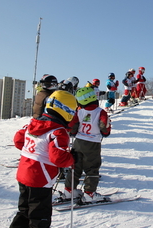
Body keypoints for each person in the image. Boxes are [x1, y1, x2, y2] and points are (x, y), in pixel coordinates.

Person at [9, 90, 77, 228]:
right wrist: (72, 158)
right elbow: (58, 158)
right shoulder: (58, 131)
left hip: (23, 174)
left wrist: (32, 150)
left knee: (24, 210)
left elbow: (18, 140)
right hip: (40, 179)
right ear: (67, 111)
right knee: (39, 216)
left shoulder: (32, 123)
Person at [62, 87, 111, 203]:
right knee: (92, 168)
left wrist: (73, 133)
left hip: (78, 141)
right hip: (92, 143)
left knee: (75, 166)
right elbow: (105, 127)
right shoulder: (100, 112)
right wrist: (105, 132)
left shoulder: (79, 111)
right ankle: (89, 193)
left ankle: (69, 190)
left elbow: (72, 126)